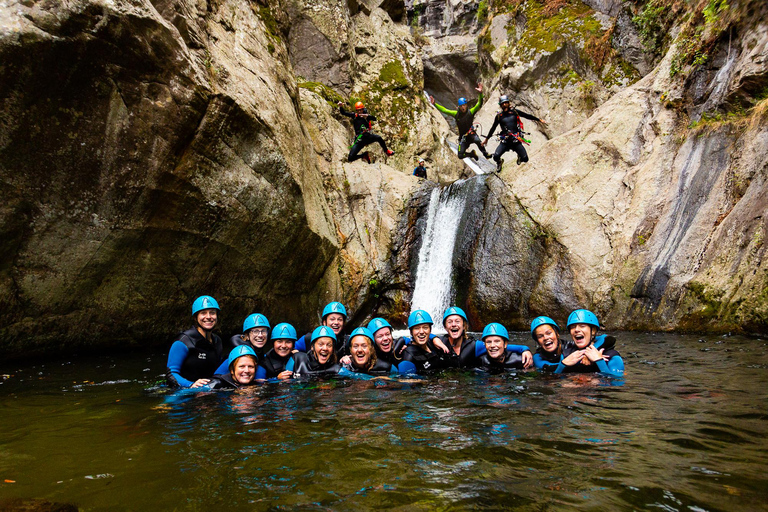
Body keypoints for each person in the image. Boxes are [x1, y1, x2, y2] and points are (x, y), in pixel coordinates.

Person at [440, 306, 532, 369]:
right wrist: (434, 338)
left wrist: (524, 349)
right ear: (445, 327)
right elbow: (429, 336)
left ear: (464, 326)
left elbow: (503, 347)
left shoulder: (474, 346)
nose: (453, 324)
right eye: (449, 322)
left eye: (457, 321)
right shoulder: (439, 343)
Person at [166, 295, 225, 388]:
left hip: (208, 389)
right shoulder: (183, 341)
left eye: (212, 313)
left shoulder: (217, 341)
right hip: (185, 390)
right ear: (195, 317)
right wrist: (191, 385)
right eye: (203, 313)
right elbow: (171, 374)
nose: (208, 317)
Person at [484, 95, 546, 172]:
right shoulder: (499, 116)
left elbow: (526, 116)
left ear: (508, 103)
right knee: (496, 156)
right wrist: (486, 139)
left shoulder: (514, 112)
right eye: (502, 103)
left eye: (506, 103)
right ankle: (499, 162)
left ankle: (519, 156)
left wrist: (538, 119)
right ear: (500, 105)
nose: (504, 105)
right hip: (505, 141)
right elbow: (493, 128)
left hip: (515, 141)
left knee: (525, 159)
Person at [430, 84, 490, 161]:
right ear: (459, 107)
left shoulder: (470, 112)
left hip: (471, 134)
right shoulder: (456, 114)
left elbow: (479, 104)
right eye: (461, 106)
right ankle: (471, 154)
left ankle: (485, 154)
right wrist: (435, 104)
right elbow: (445, 110)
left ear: (466, 105)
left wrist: (480, 93)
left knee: (478, 141)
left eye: (464, 105)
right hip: (463, 137)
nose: (463, 107)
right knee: (460, 155)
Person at [559, 309, 624, 376]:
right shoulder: (566, 355)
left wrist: (599, 361)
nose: (576, 330)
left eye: (582, 326)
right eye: (573, 327)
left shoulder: (611, 355)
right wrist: (563, 364)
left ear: (593, 331)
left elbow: (616, 380)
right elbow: (555, 379)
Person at [398, 310, 450, 374]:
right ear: (411, 332)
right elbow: (405, 379)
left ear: (430, 330)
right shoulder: (408, 355)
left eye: (425, 327)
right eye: (417, 328)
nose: (421, 332)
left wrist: (434, 338)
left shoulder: (433, 343)